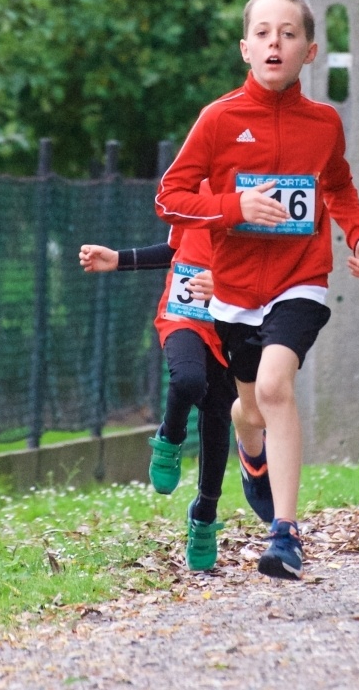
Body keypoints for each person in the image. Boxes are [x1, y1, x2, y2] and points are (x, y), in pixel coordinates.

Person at [155, 0, 359, 580]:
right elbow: (170, 199)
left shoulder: (323, 124)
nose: (274, 42)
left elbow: (337, 186)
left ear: (309, 51)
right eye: (262, 34)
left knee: (277, 387)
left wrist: (358, 237)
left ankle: (285, 535)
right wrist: (234, 208)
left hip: (300, 281)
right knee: (246, 410)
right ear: (245, 49)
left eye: (288, 33)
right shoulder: (219, 119)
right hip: (232, 293)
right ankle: (252, 456)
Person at [77, 219, 238, 572]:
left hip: (233, 320)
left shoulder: (260, 190)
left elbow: (273, 267)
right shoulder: (194, 185)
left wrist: (228, 285)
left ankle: (204, 516)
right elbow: (176, 247)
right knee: (189, 380)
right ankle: (170, 436)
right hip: (185, 315)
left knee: (217, 416)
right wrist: (120, 259)